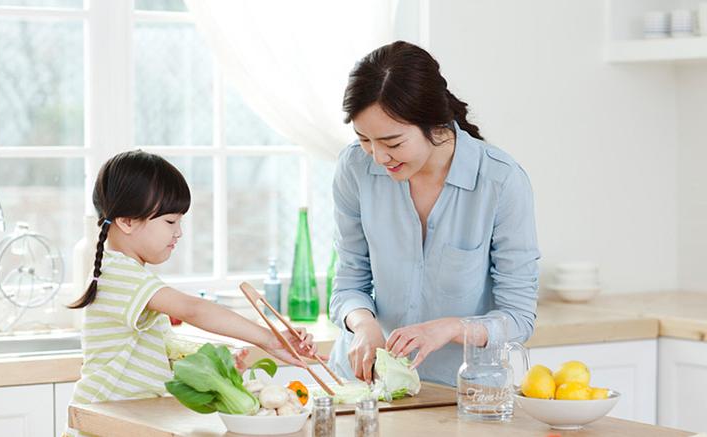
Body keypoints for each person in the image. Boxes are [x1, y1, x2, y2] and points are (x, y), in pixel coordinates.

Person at [328, 41, 540, 386]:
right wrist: (363, 324)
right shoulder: (355, 168)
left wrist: (453, 328)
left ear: (434, 124)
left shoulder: (499, 181)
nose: (378, 157)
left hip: (463, 392)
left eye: (393, 143)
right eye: (364, 139)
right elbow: (350, 282)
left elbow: (518, 318)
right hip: (368, 385)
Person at [64, 150, 318, 436]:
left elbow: (158, 355)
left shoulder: (127, 274)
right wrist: (269, 338)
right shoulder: (121, 274)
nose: (179, 232)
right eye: (170, 222)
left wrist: (214, 367)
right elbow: (194, 310)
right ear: (128, 221)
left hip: (123, 421)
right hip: (102, 426)